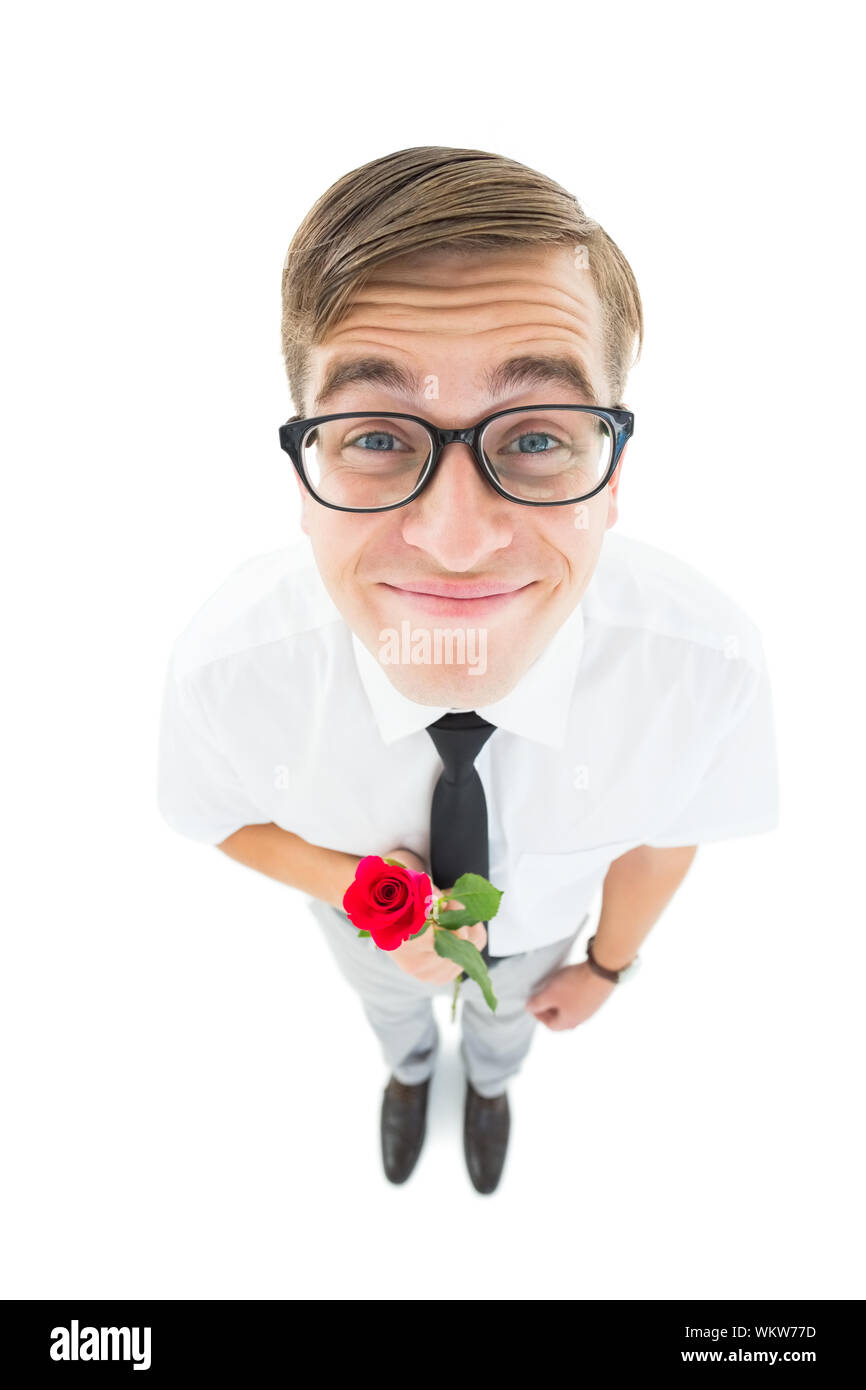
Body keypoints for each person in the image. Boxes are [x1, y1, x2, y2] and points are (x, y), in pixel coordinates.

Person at [157, 145, 779, 1196]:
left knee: (503, 1034)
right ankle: (408, 1074)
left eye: (535, 433)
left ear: (611, 471)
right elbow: (213, 814)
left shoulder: (700, 668)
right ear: (306, 473)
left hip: (540, 946)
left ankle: (486, 1086)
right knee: (391, 1013)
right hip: (365, 937)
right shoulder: (229, 670)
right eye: (376, 436)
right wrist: (359, 891)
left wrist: (604, 968)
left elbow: (664, 835)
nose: (453, 540)